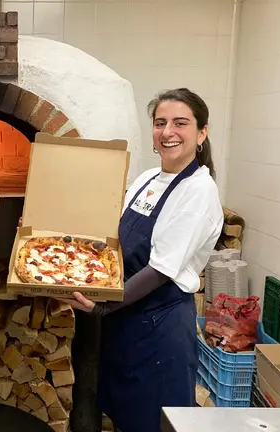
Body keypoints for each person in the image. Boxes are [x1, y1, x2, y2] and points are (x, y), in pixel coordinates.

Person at [62, 88, 223, 432]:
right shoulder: (149, 179)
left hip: (158, 326)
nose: (168, 132)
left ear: (201, 133)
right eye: (160, 123)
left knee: (152, 423)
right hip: (125, 322)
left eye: (181, 123)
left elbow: (161, 269)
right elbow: (111, 233)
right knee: (123, 416)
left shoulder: (199, 191)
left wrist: (102, 306)